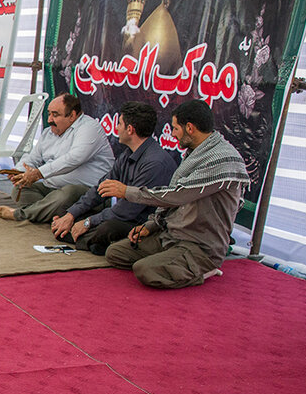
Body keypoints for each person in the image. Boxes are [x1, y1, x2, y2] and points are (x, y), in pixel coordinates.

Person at [102, 99, 250, 288]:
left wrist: (126, 191)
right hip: (171, 235)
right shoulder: (196, 153)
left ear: (189, 128)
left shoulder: (221, 159)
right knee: (115, 253)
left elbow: (177, 195)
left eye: (175, 129)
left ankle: (203, 270)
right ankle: (168, 260)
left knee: (144, 270)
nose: (172, 134)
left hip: (200, 246)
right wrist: (151, 226)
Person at [49, 101, 178, 255]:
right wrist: (71, 215)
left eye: (119, 123)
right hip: (122, 213)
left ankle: (92, 241)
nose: (116, 128)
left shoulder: (155, 163)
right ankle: (90, 240)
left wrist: (88, 222)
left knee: (107, 228)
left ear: (130, 129)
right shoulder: (128, 154)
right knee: (68, 211)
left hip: (142, 222)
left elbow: (128, 211)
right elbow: (100, 188)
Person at [0, 93, 114, 223]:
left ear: (72, 116)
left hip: (88, 192)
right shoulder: (49, 132)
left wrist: (38, 173)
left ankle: (20, 214)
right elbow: (32, 158)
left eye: (55, 115)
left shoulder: (89, 128)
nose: (49, 119)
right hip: (53, 189)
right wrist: (18, 172)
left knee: (65, 194)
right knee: (20, 189)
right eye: (49, 114)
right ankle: (55, 215)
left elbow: (74, 159)